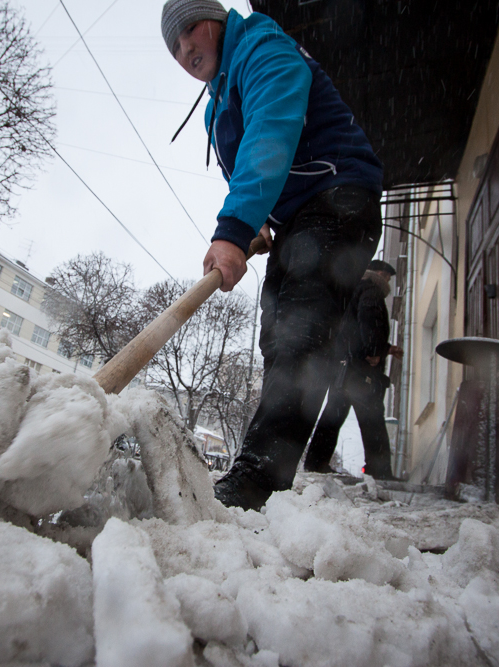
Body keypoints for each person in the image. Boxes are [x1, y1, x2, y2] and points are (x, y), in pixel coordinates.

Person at [162, 0, 384, 510]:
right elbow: (246, 170)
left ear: (215, 19)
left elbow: (273, 130)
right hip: (297, 222)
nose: (185, 49)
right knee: (278, 331)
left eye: (189, 30)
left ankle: (260, 478)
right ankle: (270, 465)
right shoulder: (218, 106)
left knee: (301, 330)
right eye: (174, 46)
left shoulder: (262, 47)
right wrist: (257, 224)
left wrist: (233, 229)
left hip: (337, 196)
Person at [303, 260, 402, 480]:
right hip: (361, 371)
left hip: (344, 367)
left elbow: (352, 331)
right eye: (387, 277)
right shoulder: (371, 290)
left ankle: (315, 463)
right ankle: (380, 471)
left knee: (333, 415)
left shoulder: (353, 291)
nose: (387, 282)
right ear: (379, 274)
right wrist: (375, 350)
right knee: (373, 419)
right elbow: (369, 320)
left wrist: (387, 348)